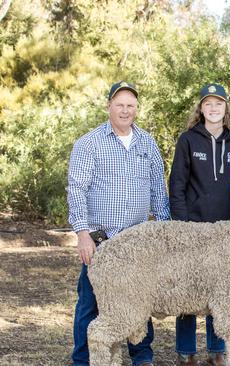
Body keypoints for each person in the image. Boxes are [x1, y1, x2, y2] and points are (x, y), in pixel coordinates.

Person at [67, 81, 170, 366]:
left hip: (139, 242)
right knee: (91, 303)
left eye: (130, 105)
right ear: (108, 107)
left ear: (136, 109)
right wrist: (82, 234)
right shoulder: (89, 143)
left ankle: (142, 357)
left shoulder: (147, 142)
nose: (125, 110)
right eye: (119, 104)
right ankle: (84, 360)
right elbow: (76, 189)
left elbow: (158, 192)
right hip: (102, 240)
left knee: (141, 300)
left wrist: (164, 232)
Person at [169, 83, 230, 366]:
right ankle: (185, 351)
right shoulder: (188, 140)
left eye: (219, 104)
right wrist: (182, 226)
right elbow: (176, 185)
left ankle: (216, 351)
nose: (213, 109)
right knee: (187, 290)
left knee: (220, 293)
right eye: (208, 104)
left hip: (225, 230)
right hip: (193, 229)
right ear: (201, 108)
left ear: (226, 109)